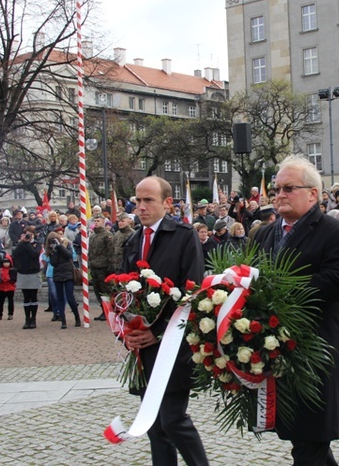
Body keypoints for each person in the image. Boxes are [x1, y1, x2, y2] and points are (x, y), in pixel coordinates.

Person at [252, 155, 339, 465]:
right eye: (276, 189)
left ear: (313, 194)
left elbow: (338, 283)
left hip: (318, 348)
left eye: (288, 188)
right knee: (303, 440)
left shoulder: (337, 232)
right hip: (275, 346)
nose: (279, 195)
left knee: (310, 439)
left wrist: (276, 287)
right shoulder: (264, 233)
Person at [121, 176, 209, 466]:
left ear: (167, 203)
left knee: (173, 420)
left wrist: (157, 332)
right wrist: (128, 331)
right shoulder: (133, 240)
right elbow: (123, 291)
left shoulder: (184, 235)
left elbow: (191, 291)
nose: (141, 207)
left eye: (148, 200)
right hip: (143, 349)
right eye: (137, 200)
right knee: (155, 428)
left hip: (173, 344)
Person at [46, 231, 81, 329]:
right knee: (60, 298)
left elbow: (69, 255)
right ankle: (63, 320)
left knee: (70, 298)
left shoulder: (66, 244)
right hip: (57, 275)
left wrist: (60, 247)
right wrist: (54, 250)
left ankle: (77, 317)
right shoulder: (51, 249)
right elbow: (53, 263)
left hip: (68, 273)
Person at [12, 226, 43, 329]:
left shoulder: (37, 244)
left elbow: (34, 254)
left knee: (33, 296)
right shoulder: (21, 244)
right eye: (26, 234)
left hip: (33, 272)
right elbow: (15, 254)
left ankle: (33, 319)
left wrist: (28, 243)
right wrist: (22, 243)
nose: (28, 236)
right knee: (26, 297)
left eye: (30, 234)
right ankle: (27, 319)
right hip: (23, 272)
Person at [89, 215, 115, 321]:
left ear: (103, 222)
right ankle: (103, 310)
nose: (96, 222)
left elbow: (111, 251)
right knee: (97, 290)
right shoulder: (93, 236)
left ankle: (109, 311)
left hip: (103, 267)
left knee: (105, 291)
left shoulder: (107, 235)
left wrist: (110, 266)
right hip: (94, 266)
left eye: (98, 221)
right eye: (95, 221)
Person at [0, 255, 17, 321]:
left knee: (10, 301)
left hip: (10, 288)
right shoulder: (0, 270)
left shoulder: (12, 270)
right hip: (2, 287)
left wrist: (8, 279)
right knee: (0, 302)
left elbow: (14, 279)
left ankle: (10, 314)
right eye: (4, 262)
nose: (6, 264)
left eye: (7, 262)